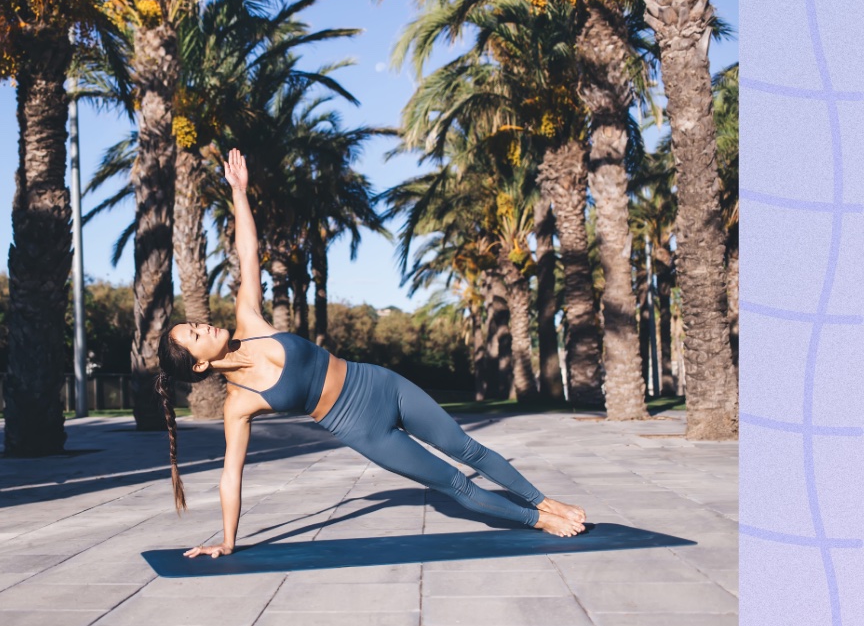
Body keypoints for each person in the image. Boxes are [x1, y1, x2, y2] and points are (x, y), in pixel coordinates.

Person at [154, 148, 587, 560]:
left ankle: (545, 500)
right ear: (200, 364)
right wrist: (227, 542)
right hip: (362, 429)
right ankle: (538, 520)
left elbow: (248, 253)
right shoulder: (238, 404)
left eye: (195, 323)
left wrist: (239, 191)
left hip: (380, 384)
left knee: (466, 448)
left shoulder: (249, 321)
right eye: (195, 334)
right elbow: (231, 474)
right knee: (454, 482)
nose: (204, 325)